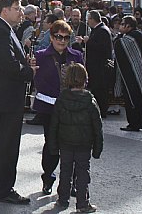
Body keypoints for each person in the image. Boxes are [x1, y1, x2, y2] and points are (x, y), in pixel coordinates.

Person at [0, 0, 36, 204]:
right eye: (17, 8)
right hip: (6, 97)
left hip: (2, 97)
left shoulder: (2, 29)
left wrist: (24, 62)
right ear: (5, 10)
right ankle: (3, 189)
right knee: (6, 145)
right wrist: (29, 71)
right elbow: (10, 66)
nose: (20, 12)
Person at [34, 20, 84, 195]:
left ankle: (72, 183)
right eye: (58, 37)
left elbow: (83, 79)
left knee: (74, 146)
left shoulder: (76, 56)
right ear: (51, 36)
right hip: (50, 108)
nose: (62, 41)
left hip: (72, 109)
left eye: (65, 37)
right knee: (52, 145)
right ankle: (48, 179)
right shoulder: (40, 56)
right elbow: (38, 82)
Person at [49, 63, 103, 213]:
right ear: (85, 80)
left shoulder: (61, 100)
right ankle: (82, 203)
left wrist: (53, 145)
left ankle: (62, 199)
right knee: (83, 173)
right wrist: (97, 148)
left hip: (65, 143)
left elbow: (54, 124)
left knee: (65, 171)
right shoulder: (90, 102)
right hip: (84, 145)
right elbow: (97, 127)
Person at [113, 16, 142, 132]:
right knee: (137, 100)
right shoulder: (139, 35)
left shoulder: (130, 39)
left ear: (128, 26)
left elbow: (118, 45)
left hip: (133, 75)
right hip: (141, 73)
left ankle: (134, 123)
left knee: (132, 99)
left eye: (122, 24)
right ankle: (140, 121)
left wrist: (118, 36)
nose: (120, 26)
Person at [82, 10, 113, 118]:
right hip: (95, 67)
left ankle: (101, 111)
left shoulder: (102, 31)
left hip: (100, 67)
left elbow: (102, 48)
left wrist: (88, 41)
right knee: (96, 89)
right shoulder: (97, 30)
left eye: (88, 19)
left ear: (92, 19)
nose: (87, 22)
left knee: (100, 90)